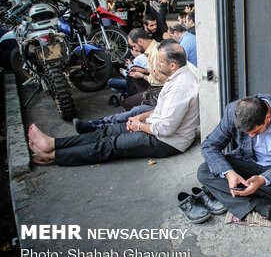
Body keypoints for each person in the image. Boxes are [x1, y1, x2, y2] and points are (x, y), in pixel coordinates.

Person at [28, 42, 199, 166]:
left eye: (160, 62)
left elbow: (165, 129)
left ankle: (55, 156)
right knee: (106, 131)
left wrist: (139, 126)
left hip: (166, 142)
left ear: (173, 65)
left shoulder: (181, 87)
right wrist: (141, 117)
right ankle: (53, 144)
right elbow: (162, 110)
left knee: (109, 145)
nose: (157, 65)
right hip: (155, 127)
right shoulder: (178, 76)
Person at [197, 95, 271, 224]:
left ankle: (246, 194)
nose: (251, 136)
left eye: (256, 132)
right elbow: (209, 146)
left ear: (267, 118)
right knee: (204, 171)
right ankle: (259, 204)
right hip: (247, 162)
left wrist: (263, 180)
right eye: (247, 133)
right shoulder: (232, 112)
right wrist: (229, 173)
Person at [124, 28, 165, 110]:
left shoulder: (155, 52)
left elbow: (158, 81)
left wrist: (142, 75)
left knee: (127, 103)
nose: (134, 49)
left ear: (140, 41)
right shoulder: (153, 48)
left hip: (161, 89)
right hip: (157, 85)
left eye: (134, 46)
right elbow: (155, 70)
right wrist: (143, 71)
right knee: (134, 70)